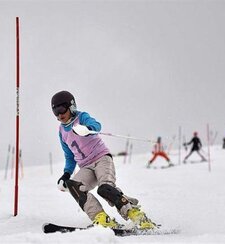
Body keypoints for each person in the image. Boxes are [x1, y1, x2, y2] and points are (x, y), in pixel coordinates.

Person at [51, 91, 156, 230]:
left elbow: (96, 125)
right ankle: (101, 218)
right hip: (86, 167)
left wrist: (88, 129)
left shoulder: (81, 117)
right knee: (74, 187)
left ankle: (136, 214)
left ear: (71, 106)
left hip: (101, 159)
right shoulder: (62, 131)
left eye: (61, 109)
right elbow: (69, 156)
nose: (59, 115)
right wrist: (66, 174)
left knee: (105, 188)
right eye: (55, 111)